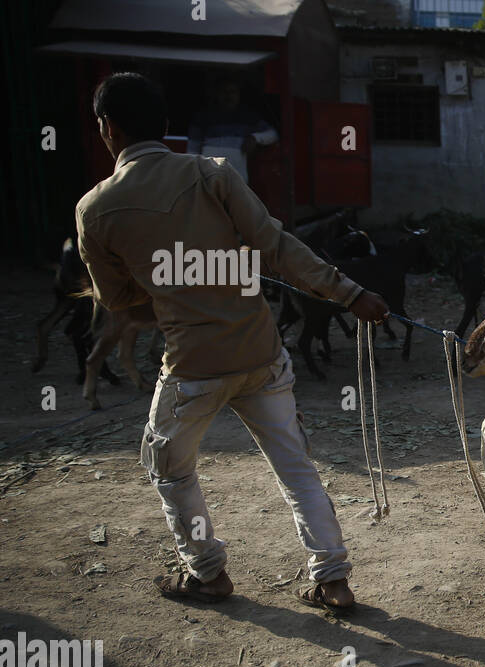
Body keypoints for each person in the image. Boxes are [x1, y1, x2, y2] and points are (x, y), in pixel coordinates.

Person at [76, 72, 390, 608]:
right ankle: (333, 579)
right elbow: (277, 245)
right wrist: (350, 292)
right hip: (261, 353)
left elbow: (118, 301)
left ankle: (206, 572)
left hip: (192, 365)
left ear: (108, 128)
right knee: (296, 467)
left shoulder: (95, 209)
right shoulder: (211, 174)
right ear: (166, 125)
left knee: (169, 467)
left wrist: (173, 289)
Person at [187, 77, 279, 182]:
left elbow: (272, 134)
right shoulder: (203, 117)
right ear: (217, 94)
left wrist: (255, 138)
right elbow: (192, 151)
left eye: (232, 92)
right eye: (224, 92)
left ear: (239, 95)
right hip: (209, 178)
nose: (228, 96)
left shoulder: (247, 117)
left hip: (236, 180)